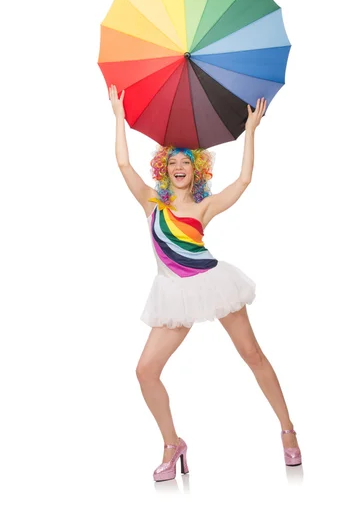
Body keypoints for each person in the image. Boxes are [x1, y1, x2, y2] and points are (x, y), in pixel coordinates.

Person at [109, 84, 302, 481]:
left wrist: (251, 132)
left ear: (198, 170)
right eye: (174, 162)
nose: (180, 167)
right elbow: (124, 167)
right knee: (145, 370)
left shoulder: (202, 206)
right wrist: (118, 117)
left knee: (252, 355)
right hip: (174, 295)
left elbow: (244, 181)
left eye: (187, 162)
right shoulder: (151, 202)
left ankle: (288, 430)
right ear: (165, 168)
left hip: (212, 284)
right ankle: (171, 442)